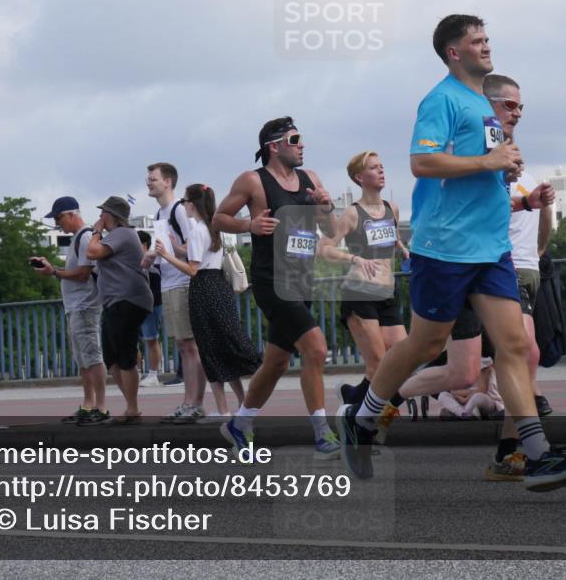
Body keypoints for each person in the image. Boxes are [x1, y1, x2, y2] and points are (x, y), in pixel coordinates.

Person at [338, 14, 566, 492]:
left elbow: (486, 179)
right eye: (476, 40)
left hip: (491, 248)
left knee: (517, 347)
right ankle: (363, 416)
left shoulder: (483, 107)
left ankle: (534, 454)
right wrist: (489, 160)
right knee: (425, 345)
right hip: (446, 246)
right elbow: (422, 162)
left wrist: (516, 193)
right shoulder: (440, 99)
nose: (486, 45)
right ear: (454, 52)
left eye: (487, 38)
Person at [214, 116, 342, 459]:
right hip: (272, 281)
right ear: (274, 146)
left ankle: (239, 424)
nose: (302, 145)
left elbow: (330, 230)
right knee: (315, 348)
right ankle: (321, 432)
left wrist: (325, 207)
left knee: (277, 363)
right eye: (294, 139)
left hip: (302, 279)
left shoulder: (310, 179)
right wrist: (249, 224)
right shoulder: (253, 181)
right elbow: (219, 218)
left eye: (301, 139)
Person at [318, 151, 408, 437]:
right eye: (373, 168)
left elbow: (391, 237)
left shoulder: (392, 208)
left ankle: (353, 396)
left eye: (382, 166)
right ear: (359, 177)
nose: (381, 171)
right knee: (379, 364)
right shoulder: (352, 213)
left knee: (403, 361)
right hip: (359, 294)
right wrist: (354, 259)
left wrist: (403, 248)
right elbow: (325, 248)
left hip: (386, 294)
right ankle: (362, 420)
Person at [155, 183, 263, 419]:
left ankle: (223, 408)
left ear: (191, 205)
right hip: (219, 286)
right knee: (224, 346)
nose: (183, 205)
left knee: (209, 349)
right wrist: (175, 247)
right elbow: (202, 255)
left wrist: (166, 256)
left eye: (184, 202)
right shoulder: (215, 227)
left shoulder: (196, 231)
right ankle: (244, 404)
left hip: (202, 289)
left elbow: (193, 269)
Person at [33, 197, 108, 426]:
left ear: (72, 214)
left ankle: (101, 407)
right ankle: (88, 404)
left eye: (59, 218)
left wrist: (54, 272)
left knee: (92, 355)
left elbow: (83, 273)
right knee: (82, 357)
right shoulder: (78, 238)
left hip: (86, 305)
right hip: (76, 306)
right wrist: (53, 268)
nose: (58, 224)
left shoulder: (85, 236)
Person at [144, 162, 207, 423]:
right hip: (169, 282)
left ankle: (194, 403)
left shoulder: (179, 210)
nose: (149, 182)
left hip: (183, 282)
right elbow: (168, 250)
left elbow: (194, 249)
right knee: (184, 345)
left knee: (191, 345)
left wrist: (168, 253)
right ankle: (189, 402)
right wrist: (152, 257)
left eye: (153, 178)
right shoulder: (161, 214)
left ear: (168, 181)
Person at [85, 196, 154, 424]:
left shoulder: (123, 234)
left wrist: (96, 232)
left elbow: (92, 252)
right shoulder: (115, 237)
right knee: (111, 356)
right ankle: (130, 406)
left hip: (128, 299)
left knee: (125, 355)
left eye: (103, 213)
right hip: (114, 302)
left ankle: (133, 409)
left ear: (111, 215)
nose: (100, 218)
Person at [136, 231, 164, 385]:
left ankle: (153, 374)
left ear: (145, 245)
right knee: (133, 340)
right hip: (135, 304)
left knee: (151, 339)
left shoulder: (153, 261)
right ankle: (138, 372)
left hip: (152, 305)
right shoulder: (131, 260)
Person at [437, 357, 503, 421]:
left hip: (487, 400)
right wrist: (464, 398)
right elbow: (453, 391)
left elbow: (482, 390)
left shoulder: (483, 361)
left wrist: (465, 399)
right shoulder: (457, 364)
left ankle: (457, 413)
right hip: (464, 399)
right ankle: (463, 414)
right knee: (442, 395)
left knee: (477, 397)